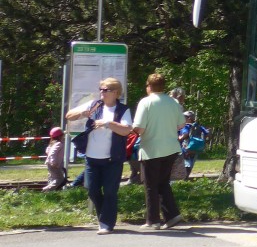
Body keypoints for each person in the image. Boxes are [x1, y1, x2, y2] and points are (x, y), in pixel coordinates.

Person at [65, 78, 133, 234]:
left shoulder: (123, 110)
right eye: (101, 89)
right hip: (92, 157)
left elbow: (126, 130)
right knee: (92, 189)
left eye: (106, 90)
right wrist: (82, 113)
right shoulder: (94, 105)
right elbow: (69, 115)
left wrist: (108, 123)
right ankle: (105, 217)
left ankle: (106, 224)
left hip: (112, 159)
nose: (102, 92)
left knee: (110, 191)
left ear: (115, 92)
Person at [132, 72, 186, 229]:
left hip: (151, 149)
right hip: (171, 148)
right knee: (163, 182)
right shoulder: (173, 102)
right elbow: (181, 125)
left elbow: (140, 128)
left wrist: (132, 130)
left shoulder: (146, 102)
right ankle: (172, 215)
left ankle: (153, 220)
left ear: (149, 86)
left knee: (151, 185)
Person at [178, 111, 210, 179]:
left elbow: (185, 134)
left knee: (186, 163)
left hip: (186, 148)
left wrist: (179, 138)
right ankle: (186, 177)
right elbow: (207, 133)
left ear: (189, 118)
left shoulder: (186, 126)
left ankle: (184, 178)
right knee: (191, 162)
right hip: (196, 148)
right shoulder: (198, 126)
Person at [42, 127, 67, 191]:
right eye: (63, 135)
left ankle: (50, 192)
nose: (63, 137)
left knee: (53, 178)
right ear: (60, 136)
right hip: (53, 164)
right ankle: (46, 189)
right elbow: (52, 153)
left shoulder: (52, 143)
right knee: (60, 179)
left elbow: (47, 151)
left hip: (49, 163)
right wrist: (53, 162)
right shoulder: (59, 144)